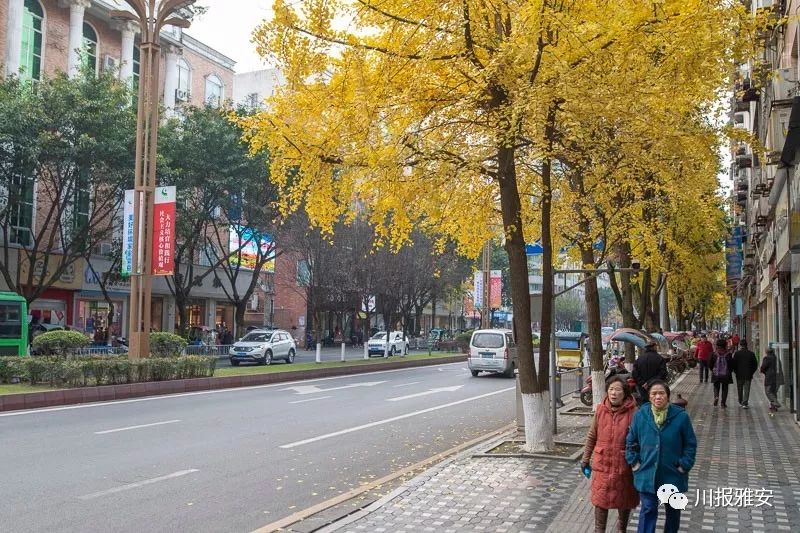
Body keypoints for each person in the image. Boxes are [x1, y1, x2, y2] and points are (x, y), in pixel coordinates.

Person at [626, 380, 697, 533]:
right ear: (649, 397)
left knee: (673, 511)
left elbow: (690, 444)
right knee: (648, 509)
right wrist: (634, 462)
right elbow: (631, 441)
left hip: (672, 473)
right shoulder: (641, 415)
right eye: (654, 393)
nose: (658, 397)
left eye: (661, 393)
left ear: (667, 396)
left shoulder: (681, 417)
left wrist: (684, 465)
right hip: (646, 472)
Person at [581, 376, 639, 532]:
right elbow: (592, 435)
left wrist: (637, 461)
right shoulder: (600, 410)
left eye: (618, 390)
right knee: (601, 500)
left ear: (625, 392)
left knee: (624, 499)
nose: (614, 393)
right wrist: (585, 458)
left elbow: (638, 440)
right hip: (602, 465)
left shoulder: (633, 412)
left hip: (624, 465)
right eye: (611, 389)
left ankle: (622, 529)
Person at [632, 341, 668, 405]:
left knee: (644, 403)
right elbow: (663, 373)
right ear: (654, 347)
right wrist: (650, 383)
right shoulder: (659, 358)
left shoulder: (639, 359)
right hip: (656, 386)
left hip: (642, 387)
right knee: (656, 403)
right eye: (656, 346)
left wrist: (643, 383)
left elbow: (634, 373)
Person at [732, 339, 758, 409]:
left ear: (740, 345)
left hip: (739, 374)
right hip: (748, 374)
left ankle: (740, 401)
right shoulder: (751, 353)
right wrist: (751, 372)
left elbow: (734, 364)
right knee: (747, 389)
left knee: (739, 389)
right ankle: (745, 402)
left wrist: (735, 371)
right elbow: (755, 365)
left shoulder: (737, 354)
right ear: (747, 345)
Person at [709, 339, 734, 408]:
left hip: (716, 374)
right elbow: (731, 364)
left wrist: (713, 369)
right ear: (725, 345)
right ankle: (723, 403)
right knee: (725, 388)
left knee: (716, 386)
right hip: (726, 375)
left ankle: (716, 396)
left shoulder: (714, 354)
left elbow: (710, 364)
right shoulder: (728, 354)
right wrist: (730, 371)